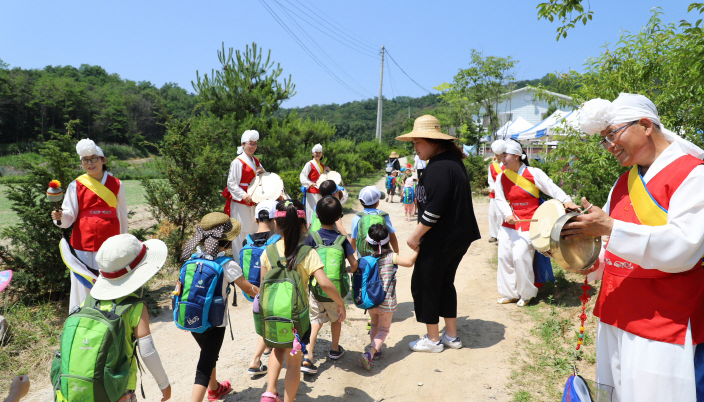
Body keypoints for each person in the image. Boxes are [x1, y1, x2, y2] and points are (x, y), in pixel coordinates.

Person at [561, 93, 704, 402]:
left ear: (645, 125)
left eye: (613, 134)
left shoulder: (693, 174)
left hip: (664, 318)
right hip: (615, 310)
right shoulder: (624, 182)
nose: (610, 145)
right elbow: (611, 247)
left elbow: (684, 248)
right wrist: (586, 259)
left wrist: (609, 226)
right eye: (604, 139)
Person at [396, 115, 480, 353]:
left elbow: (435, 209)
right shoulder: (450, 162)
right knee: (444, 283)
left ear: (433, 141)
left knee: (426, 283)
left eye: (417, 142)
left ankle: (433, 339)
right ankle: (451, 336)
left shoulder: (440, 167)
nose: (415, 147)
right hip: (456, 237)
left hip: (441, 238)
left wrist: (415, 235)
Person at [258, 200, 347, 402]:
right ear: (303, 225)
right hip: (296, 318)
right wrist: (339, 302)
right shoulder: (307, 253)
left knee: (277, 349)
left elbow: (263, 284)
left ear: (276, 224)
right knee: (293, 363)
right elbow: (324, 283)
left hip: (272, 314)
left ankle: (270, 392)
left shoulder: (268, 251)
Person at [180, 212, 259, 402]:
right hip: (214, 323)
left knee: (208, 354)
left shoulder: (192, 258)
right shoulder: (227, 264)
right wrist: (266, 290)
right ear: (229, 242)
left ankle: (214, 389)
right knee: (204, 366)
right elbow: (249, 289)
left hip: (192, 316)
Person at [494, 140, 577, 307]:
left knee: (520, 256)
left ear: (517, 156)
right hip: (510, 223)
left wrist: (566, 200)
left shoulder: (533, 172)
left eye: (505, 156)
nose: (501, 159)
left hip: (531, 223)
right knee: (504, 257)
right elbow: (499, 199)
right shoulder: (502, 177)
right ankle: (510, 293)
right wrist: (508, 214)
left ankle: (526, 294)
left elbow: (550, 188)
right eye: (500, 156)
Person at [90, 234, 171, 401]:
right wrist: (164, 384)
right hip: (118, 388)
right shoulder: (134, 306)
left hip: (88, 386)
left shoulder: (89, 301)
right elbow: (147, 351)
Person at [51, 138, 128, 312]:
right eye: (85, 160)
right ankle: (83, 317)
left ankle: (111, 317)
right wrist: (60, 217)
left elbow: (122, 215)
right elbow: (68, 216)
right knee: (83, 284)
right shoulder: (75, 185)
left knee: (110, 280)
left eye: (93, 158)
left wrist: (124, 243)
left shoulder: (117, 184)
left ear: (103, 160)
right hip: (83, 243)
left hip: (111, 243)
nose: (90, 163)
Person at [301, 196, 358, 374]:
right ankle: (334, 349)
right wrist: (347, 270)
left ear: (316, 215)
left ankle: (308, 355)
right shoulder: (342, 241)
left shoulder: (311, 238)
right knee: (336, 319)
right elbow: (354, 265)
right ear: (338, 217)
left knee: (315, 321)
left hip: (316, 289)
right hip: (336, 292)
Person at [354, 224, 419, 371]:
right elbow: (409, 263)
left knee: (374, 324)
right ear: (387, 241)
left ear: (368, 242)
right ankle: (370, 354)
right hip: (386, 302)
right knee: (383, 329)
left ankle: (376, 351)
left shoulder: (366, 259)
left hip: (371, 300)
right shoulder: (391, 257)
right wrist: (417, 249)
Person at [242, 200, 279, 375]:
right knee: (268, 321)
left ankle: (266, 347)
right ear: (274, 220)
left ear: (256, 219)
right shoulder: (277, 240)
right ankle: (255, 360)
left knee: (264, 318)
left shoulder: (246, 241)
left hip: (253, 289)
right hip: (272, 290)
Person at [225, 130, 266, 259]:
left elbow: (263, 175)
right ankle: (239, 261)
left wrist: (261, 171)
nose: (253, 146)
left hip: (254, 198)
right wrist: (243, 195)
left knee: (253, 227)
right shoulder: (237, 162)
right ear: (243, 144)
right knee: (241, 229)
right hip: (241, 200)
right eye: (250, 143)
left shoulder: (255, 161)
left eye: (255, 144)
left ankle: (251, 259)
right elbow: (231, 183)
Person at [351, 186, 399, 256]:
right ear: (377, 202)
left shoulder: (357, 218)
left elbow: (353, 240)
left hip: (364, 257)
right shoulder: (383, 216)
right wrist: (396, 253)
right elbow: (392, 236)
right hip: (383, 255)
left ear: (361, 202)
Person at [299, 143, 330, 226]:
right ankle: (311, 228)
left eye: (319, 152)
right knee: (312, 210)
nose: (318, 154)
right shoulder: (309, 164)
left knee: (320, 210)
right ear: (313, 153)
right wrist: (309, 183)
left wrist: (327, 171)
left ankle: (319, 228)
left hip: (321, 191)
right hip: (312, 190)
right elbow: (302, 175)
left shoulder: (322, 165)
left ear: (321, 154)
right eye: (316, 152)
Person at [487, 140, 507, 243]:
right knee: (492, 214)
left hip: (504, 194)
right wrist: (493, 188)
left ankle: (501, 235)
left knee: (501, 215)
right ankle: (493, 235)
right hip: (494, 194)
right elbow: (490, 180)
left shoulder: (507, 166)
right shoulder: (492, 166)